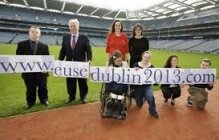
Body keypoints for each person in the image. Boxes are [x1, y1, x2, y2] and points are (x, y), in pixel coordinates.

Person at [59, 19, 92, 104]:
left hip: (81, 63)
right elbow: (63, 50)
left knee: (82, 81)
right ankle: (71, 96)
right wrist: (60, 60)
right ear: (69, 27)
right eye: (71, 26)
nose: (73, 28)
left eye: (74, 26)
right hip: (69, 63)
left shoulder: (84, 37)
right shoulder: (66, 37)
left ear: (78, 26)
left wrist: (89, 60)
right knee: (70, 81)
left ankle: (83, 96)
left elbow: (89, 50)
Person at [16, 25, 50, 109]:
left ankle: (44, 100)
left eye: (37, 32)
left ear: (39, 34)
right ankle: (30, 102)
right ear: (29, 33)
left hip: (41, 73)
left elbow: (47, 59)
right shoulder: (21, 44)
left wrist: (46, 69)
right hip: (28, 72)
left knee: (43, 87)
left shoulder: (45, 46)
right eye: (33, 32)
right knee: (30, 88)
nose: (35, 34)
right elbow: (17, 58)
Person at [103, 50, 128, 119]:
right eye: (118, 61)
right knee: (111, 89)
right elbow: (105, 75)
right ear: (114, 60)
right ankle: (110, 108)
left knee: (119, 90)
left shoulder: (125, 64)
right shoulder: (109, 64)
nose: (119, 62)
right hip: (112, 83)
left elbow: (129, 75)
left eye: (120, 60)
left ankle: (118, 108)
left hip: (121, 83)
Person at [133, 51, 159, 118]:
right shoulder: (136, 64)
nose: (146, 59)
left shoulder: (152, 67)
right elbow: (132, 76)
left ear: (150, 58)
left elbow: (155, 81)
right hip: (138, 86)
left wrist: (157, 77)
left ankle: (153, 112)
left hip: (147, 86)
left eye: (148, 57)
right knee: (139, 104)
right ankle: (143, 98)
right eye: (145, 57)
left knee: (151, 97)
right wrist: (135, 71)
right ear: (142, 57)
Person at [128, 23, 149, 97]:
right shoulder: (131, 39)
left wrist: (144, 59)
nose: (138, 30)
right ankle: (132, 92)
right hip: (133, 60)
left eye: (139, 29)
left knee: (141, 75)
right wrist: (133, 56)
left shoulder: (145, 40)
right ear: (134, 30)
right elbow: (129, 50)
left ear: (141, 31)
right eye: (136, 29)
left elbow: (147, 51)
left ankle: (141, 92)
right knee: (133, 75)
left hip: (142, 60)